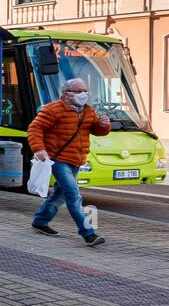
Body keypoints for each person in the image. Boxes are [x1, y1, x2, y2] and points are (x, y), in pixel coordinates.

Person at [28, 77, 111, 246]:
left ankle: (40, 221)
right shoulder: (52, 109)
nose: (83, 94)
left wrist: (104, 125)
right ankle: (88, 233)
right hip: (57, 159)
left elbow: (97, 131)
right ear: (66, 94)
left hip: (77, 159)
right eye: (78, 91)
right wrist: (39, 149)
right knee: (73, 195)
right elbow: (35, 128)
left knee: (59, 195)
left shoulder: (88, 111)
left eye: (85, 91)